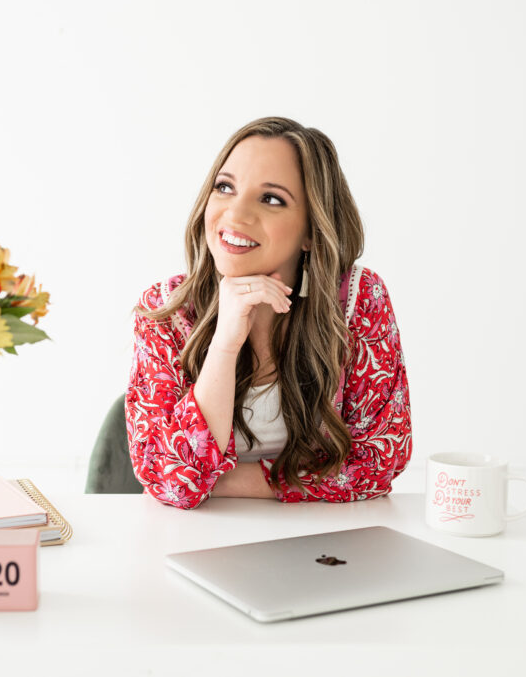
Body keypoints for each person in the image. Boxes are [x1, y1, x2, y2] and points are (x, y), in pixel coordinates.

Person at [124, 116, 412, 509]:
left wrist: (229, 483)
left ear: (312, 229)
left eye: (272, 198)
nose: (235, 215)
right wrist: (225, 342)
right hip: (189, 540)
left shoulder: (359, 301)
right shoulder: (165, 311)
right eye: (225, 188)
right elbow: (172, 482)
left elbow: (378, 464)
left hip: (316, 544)